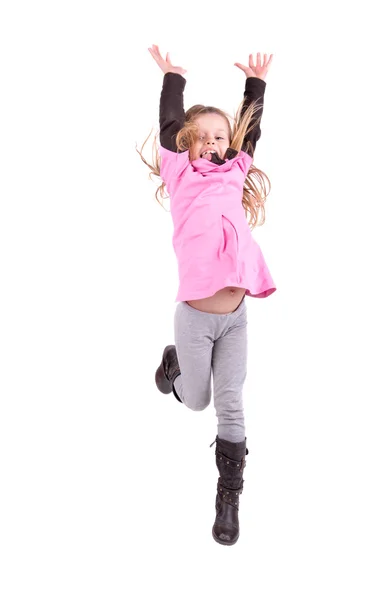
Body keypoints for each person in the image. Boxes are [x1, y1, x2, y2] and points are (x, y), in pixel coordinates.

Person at [137, 44, 276, 546]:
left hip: (236, 316)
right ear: (185, 146)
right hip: (194, 320)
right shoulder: (181, 177)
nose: (214, 144)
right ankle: (174, 364)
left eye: (221, 137)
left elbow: (249, 132)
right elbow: (172, 121)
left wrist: (255, 88)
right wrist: (173, 78)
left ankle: (228, 498)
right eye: (203, 138)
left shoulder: (235, 171)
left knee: (231, 404)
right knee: (196, 401)